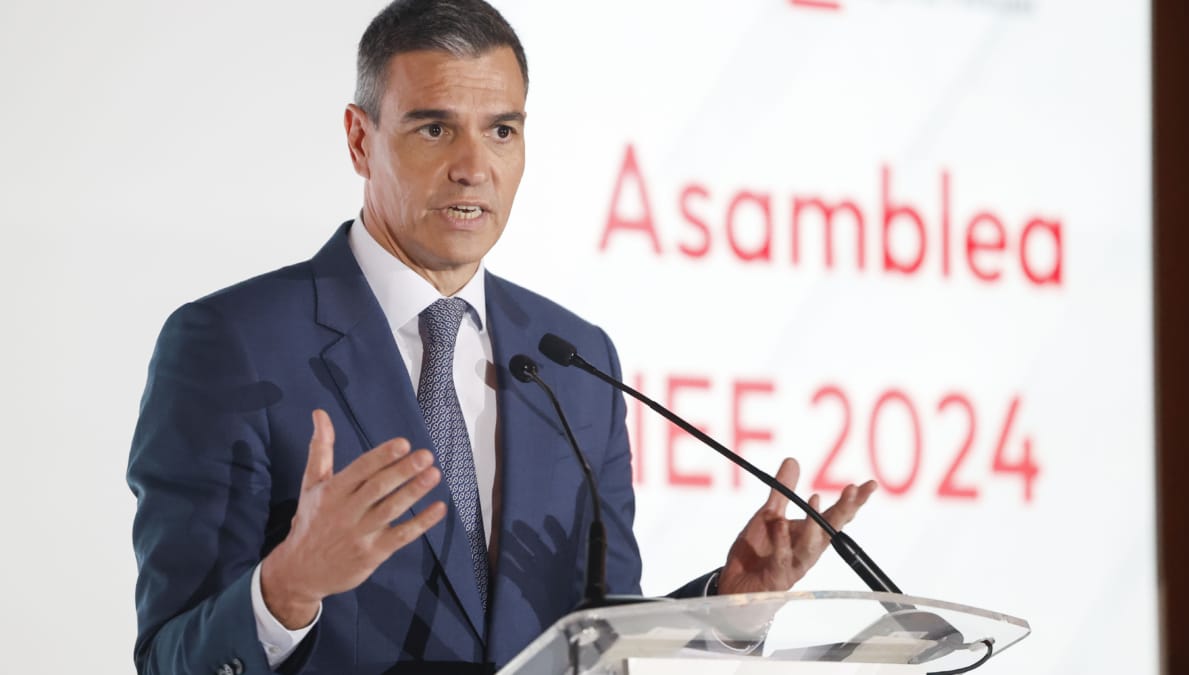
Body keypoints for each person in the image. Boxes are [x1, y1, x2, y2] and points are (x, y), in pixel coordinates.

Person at [126, 1, 877, 673]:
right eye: (433, 128)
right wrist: (287, 586)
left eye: (502, 131)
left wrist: (725, 604)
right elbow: (170, 658)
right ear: (360, 140)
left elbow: (596, 630)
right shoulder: (232, 343)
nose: (472, 168)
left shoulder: (575, 358)